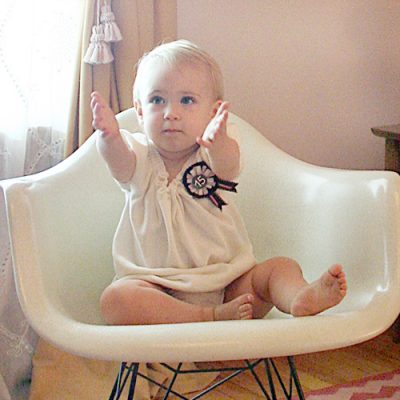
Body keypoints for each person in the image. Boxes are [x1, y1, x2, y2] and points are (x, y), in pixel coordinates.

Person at [91, 39, 347, 326]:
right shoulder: (139, 156)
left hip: (230, 286)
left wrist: (218, 142)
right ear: (139, 111)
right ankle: (207, 317)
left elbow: (227, 166)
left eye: (186, 100)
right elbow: (119, 162)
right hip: (157, 287)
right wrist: (109, 137)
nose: (171, 113)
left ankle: (299, 296)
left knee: (279, 268)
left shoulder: (213, 152)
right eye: (157, 100)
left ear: (212, 113)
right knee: (116, 299)